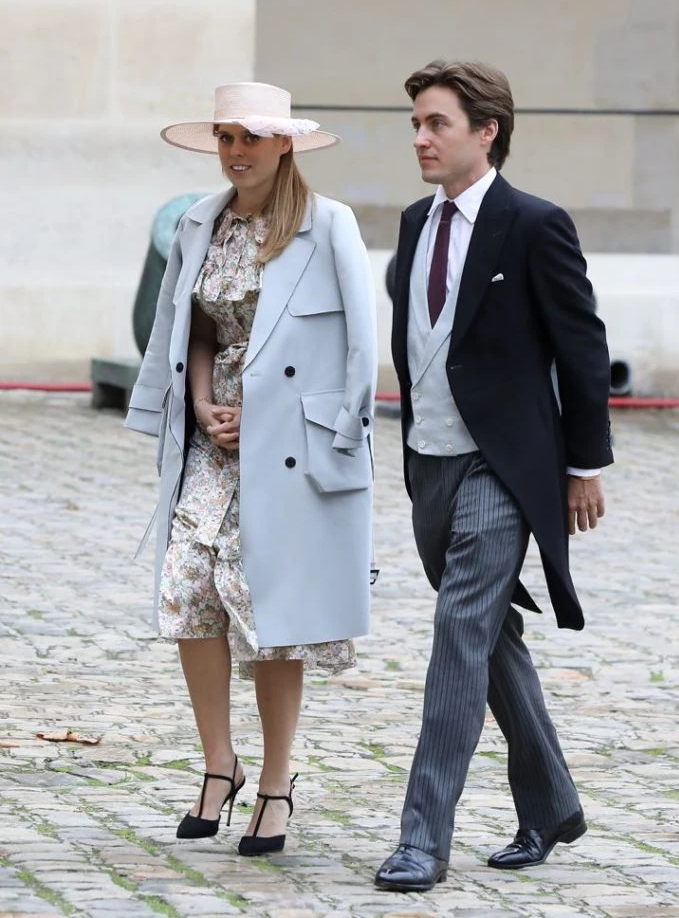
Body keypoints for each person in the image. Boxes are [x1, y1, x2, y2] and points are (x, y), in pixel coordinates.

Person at [375, 60, 613, 893]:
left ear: (486, 131)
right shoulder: (415, 221)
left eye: (435, 123)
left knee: (457, 633)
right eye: (415, 123)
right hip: (429, 464)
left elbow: (581, 348)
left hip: (502, 470)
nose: (419, 138)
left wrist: (583, 464)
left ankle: (421, 839)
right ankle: (551, 805)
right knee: (486, 636)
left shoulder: (534, 224)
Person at [125, 81, 377, 856]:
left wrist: (278, 424)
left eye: (252, 138)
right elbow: (193, 330)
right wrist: (203, 404)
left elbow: (357, 347)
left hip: (292, 445)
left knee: (271, 613)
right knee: (185, 588)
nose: (236, 152)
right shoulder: (201, 222)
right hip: (213, 438)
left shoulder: (327, 224)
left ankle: (274, 782)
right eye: (226, 137)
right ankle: (217, 764)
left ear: (284, 144)